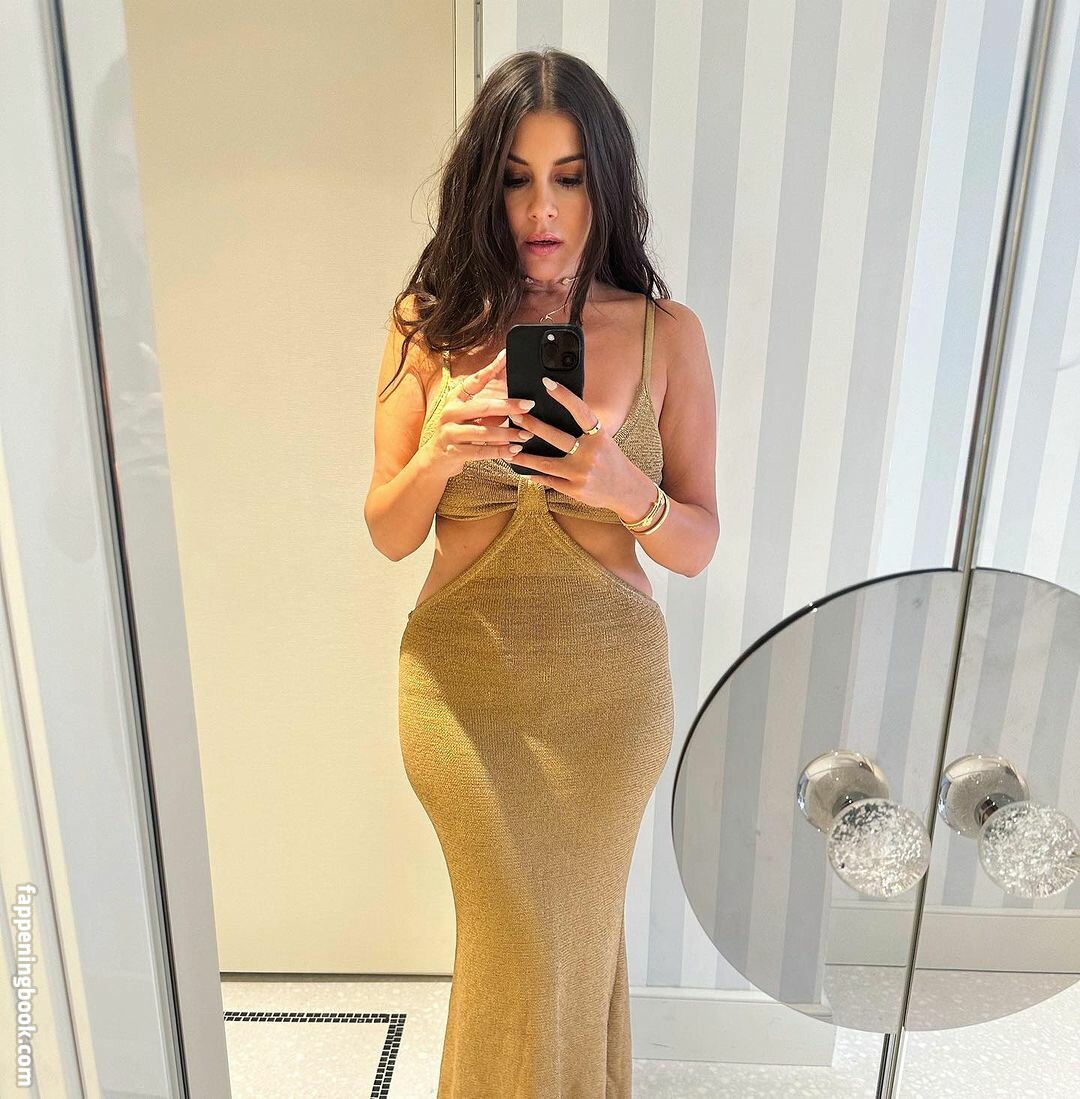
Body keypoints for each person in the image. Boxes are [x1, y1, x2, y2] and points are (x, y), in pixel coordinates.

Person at [365, 47, 718, 1099]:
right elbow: (388, 531)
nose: (542, 208)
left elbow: (697, 541)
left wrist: (625, 488)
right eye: (517, 177)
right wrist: (438, 455)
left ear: (605, 184)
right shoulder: (429, 326)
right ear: (486, 185)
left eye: (568, 176)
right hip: (461, 693)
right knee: (518, 934)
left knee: (572, 934)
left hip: (610, 699)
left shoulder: (665, 335)